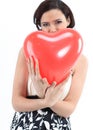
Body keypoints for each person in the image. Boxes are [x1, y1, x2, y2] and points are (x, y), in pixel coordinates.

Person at [10, 0, 88, 130]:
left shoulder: (80, 61)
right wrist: (45, 101)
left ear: (68, 20)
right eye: (45, 24)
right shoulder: (27, 51)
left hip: (58, 125)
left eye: (58, 22)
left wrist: (45, 96)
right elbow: (16, 102)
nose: (52, 29)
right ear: (39, 26)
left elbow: (69, 109)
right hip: (25, 124)